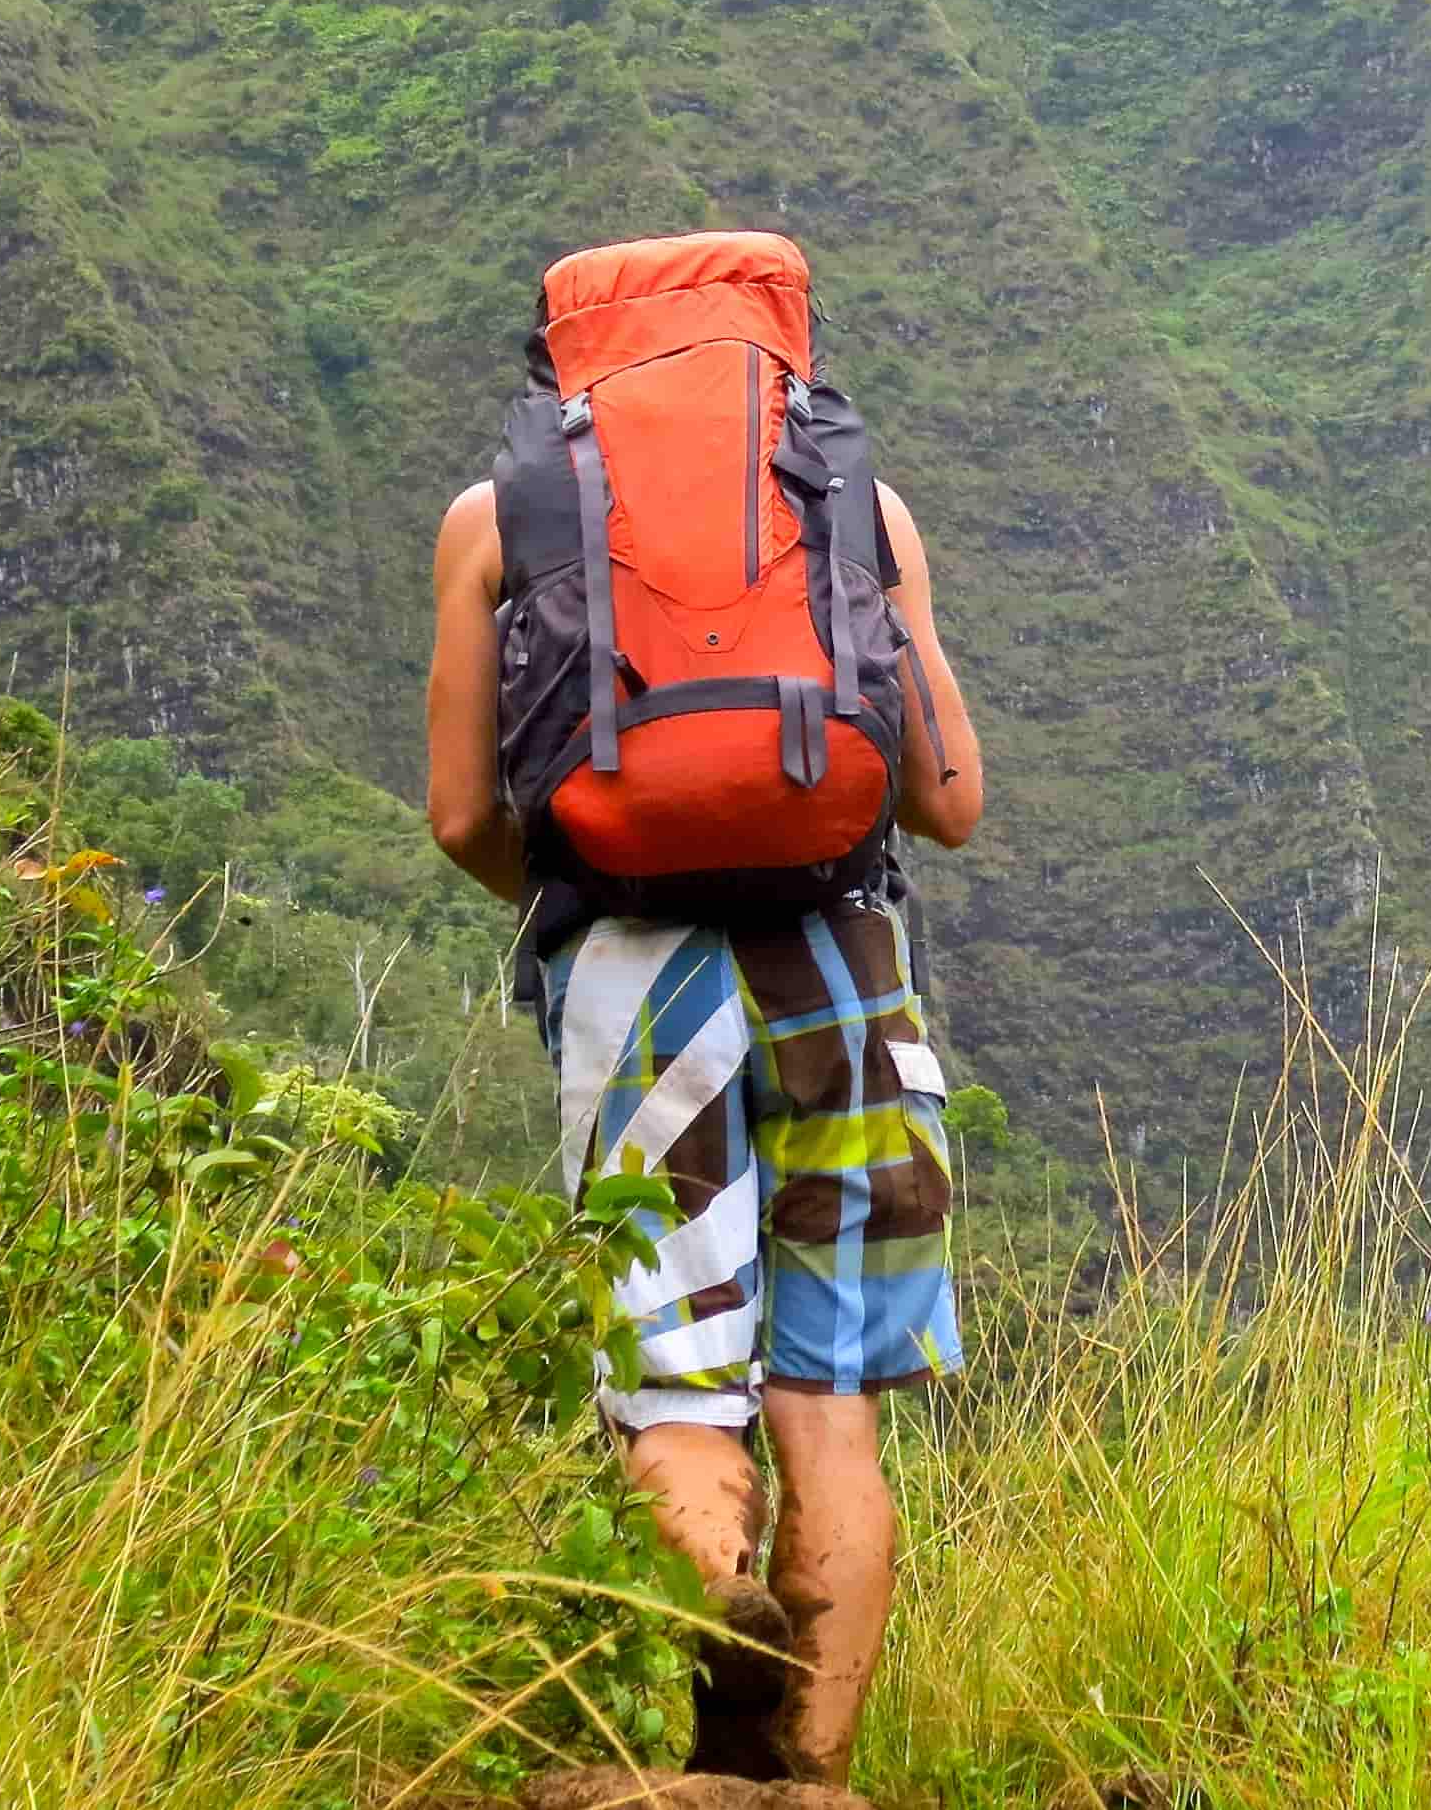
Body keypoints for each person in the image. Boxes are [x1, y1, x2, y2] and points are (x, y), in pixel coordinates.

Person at [423, 340, 983, 1785]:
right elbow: (951, 799)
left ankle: (711, 1661)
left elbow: (460, 819)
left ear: (572, 370)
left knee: (675, 1396)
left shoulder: (499, 517)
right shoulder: (862, 508)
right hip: (842, 974)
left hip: (632, 980)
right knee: (831, 1410)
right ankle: (811, 1772)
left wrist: (581, 884)